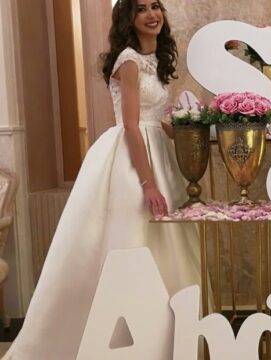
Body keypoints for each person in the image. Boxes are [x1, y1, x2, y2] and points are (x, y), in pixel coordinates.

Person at [3, 0, 200, 358]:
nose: (152, 14)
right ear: (129, 18)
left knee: (167, 246)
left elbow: (154, 120)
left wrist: (190, 128)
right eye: (142, 9)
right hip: (131, 160)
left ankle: (167, 340)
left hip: (157, 151)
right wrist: (148, 183)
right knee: (131, 240)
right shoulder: (128, 60)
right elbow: (129, 124)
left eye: (156, 6)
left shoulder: (155, 60)